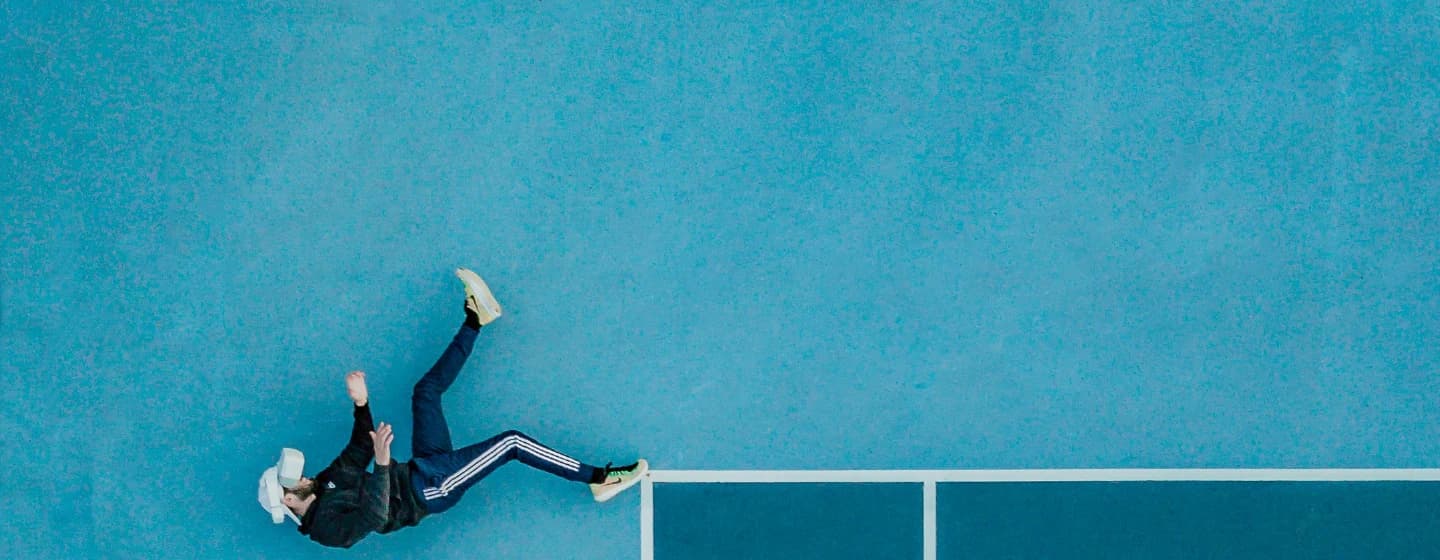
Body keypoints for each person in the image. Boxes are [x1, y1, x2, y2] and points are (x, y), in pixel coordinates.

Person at [256, 268, 648, 548]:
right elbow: (375, 516)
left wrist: (361, 403)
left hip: (422, 466)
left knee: (425, 392)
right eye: (292, 479)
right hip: (431, 489)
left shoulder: (326, 482)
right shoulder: (327, 530)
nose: (301, 475)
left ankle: (477, 318)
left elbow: (359, 448)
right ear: (289, 499)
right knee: (511, 443)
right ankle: (598, 478)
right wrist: (384, 463)